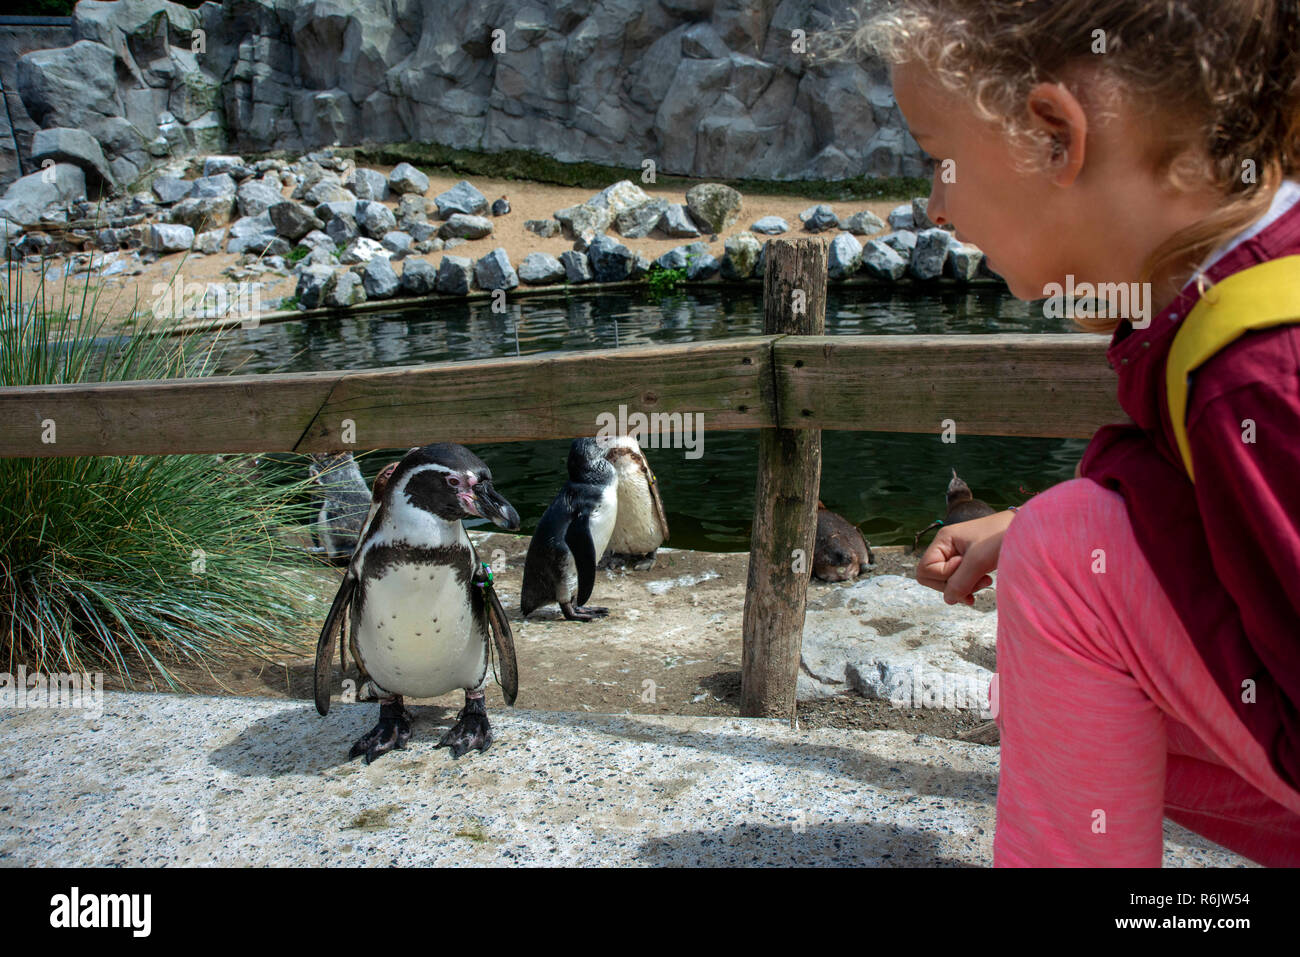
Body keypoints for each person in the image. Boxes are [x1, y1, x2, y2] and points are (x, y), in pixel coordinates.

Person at [848, 0, 1300, 865]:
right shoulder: (1239, 290)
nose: (935, 208)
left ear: (1056, 135)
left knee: (1068, 556)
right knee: (1069, 547)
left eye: (941, 161)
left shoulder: (1260, 371)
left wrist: (1062, 539)